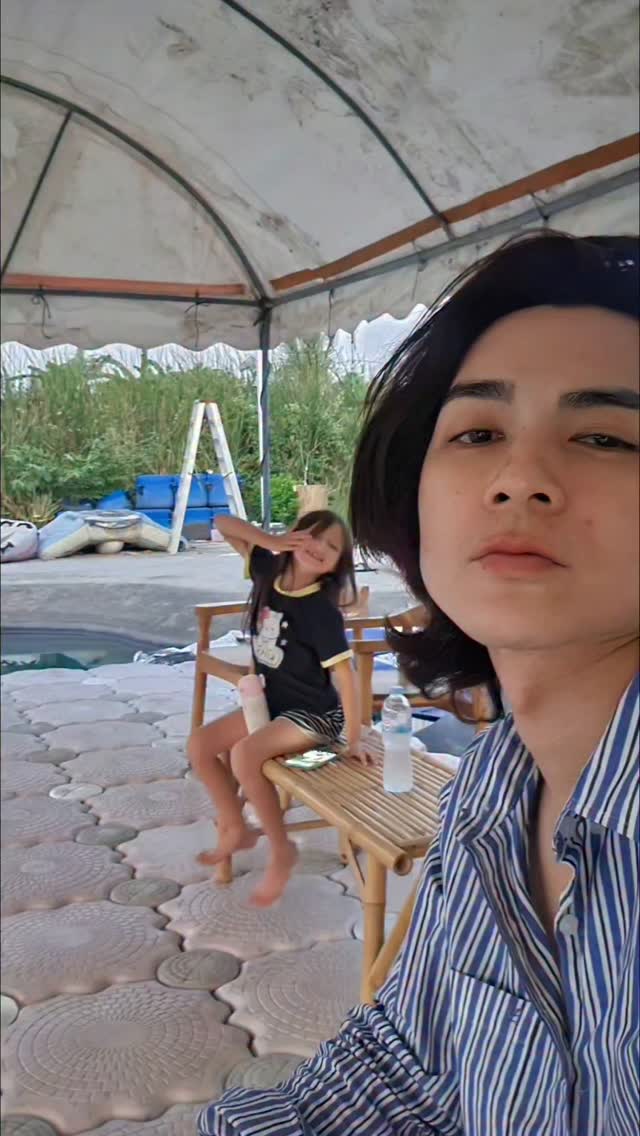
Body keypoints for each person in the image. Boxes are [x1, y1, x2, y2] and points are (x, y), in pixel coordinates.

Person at [198, 231, 639, 1135]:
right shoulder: (488, 796)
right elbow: (403, 1068)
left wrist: (353, 728)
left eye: (604, 436)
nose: (519, 479)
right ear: (413, 497)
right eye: (477, 433)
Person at [188, 509, 370, 907]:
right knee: (200, 745)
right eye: (313, 535)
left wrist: (355, 738)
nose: (319, 547)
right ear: (293, 535)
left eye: (332, 546)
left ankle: (281, 847)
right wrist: (270, 542)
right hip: (274, 706)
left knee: (244, 754)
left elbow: (346, 677)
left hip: (315, 717)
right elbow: (223, 522)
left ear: (337, 564)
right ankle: (235, 825)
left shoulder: (321, 610)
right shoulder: (267, 568)